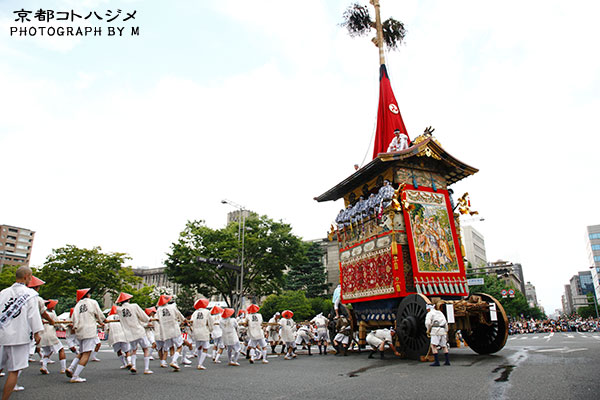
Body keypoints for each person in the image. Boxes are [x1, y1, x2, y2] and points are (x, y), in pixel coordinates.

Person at [0, 266, 44, 400]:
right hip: (19, 336)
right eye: (30, 276)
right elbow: (33, 315)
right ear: (26, 277)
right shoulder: (30, 295)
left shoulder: (3, 292)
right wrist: (37, 333)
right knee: (14, 371)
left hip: (2, 334)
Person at [66, 288, 105, 383]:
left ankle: (71, 368)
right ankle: (75, 376)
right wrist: (103, 321)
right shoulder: (92, 302)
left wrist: (75, 327)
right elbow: (99, 314)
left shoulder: (77, 305)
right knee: (86, 353)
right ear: (87, 295)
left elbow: (74, 318)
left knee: (82, 352)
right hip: (89, 330)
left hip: (80, 330)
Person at [116, 292, 153, 375]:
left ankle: (134, 366)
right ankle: (146, 369)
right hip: (138, 330)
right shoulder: (134, 306)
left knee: (134, 349)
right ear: (128, 300)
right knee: (145, 349)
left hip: (128, 332)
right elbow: (143, 317)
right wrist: (148, 319)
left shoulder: (118, 309)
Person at [156, 295, 185, 371]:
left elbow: (158, 319)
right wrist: (183, 320)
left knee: (171, 347)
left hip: (165, 331)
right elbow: (179, 315)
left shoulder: (159, 310)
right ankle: (174, 361)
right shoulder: (172, 307)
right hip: (174, 329)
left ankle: (175, 363)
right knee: (179, 346)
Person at [39, 299, 67, 374]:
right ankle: (63, 368)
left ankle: (44, 367)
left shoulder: (40, 314)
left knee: (47, 352)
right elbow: (57, 323)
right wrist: (65, 327)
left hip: (42, 335)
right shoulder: (52, 313)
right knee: (61, 350)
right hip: (50, 334)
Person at [104, 305, 130, 370]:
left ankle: (125, 364)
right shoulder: (123, 316)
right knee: (127, 351)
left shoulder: (109, 318)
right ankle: (129, 362)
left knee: (118, 351)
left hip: (114, 336)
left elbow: (106, 328)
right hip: (124, 335)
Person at [190, 299, 212, 370]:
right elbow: (210, 322)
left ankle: (199, 362)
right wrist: (210, 330)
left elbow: (191, 322)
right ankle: (200, 364)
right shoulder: (207, 312)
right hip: (204, 331)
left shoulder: (195, 313)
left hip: (196, 331)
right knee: (205, 348)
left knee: (199, 347)